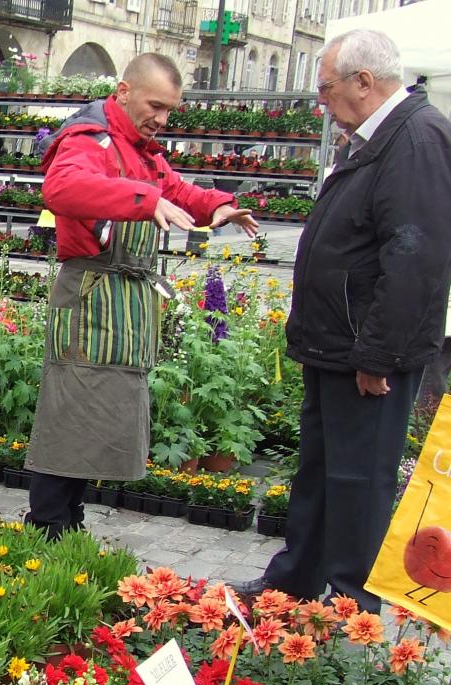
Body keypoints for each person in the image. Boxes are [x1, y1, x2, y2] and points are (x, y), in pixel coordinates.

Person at [232, 29, 451, 611]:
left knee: (360, 479)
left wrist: (379, 356)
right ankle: (297, 580)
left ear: (363, 81)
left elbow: (415, 259)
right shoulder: (375, 139)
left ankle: (350, 603)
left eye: (326, 87)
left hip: (368, 354)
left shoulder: (417, 141)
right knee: (322, 472)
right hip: (335, 344)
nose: (321, 101)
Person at [23, 53, 257, 540]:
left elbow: (177, 190)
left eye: (170, 110)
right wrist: (146, 201)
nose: (163, 119)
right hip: (89, 299)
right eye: (156, 105)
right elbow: (61, 189)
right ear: (123, 91)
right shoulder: (90, 140)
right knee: (70, 416)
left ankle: (70, 521)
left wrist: (222, 204)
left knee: (97, 421)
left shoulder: (143, 151)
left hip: (122, 304)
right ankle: (47, 525)